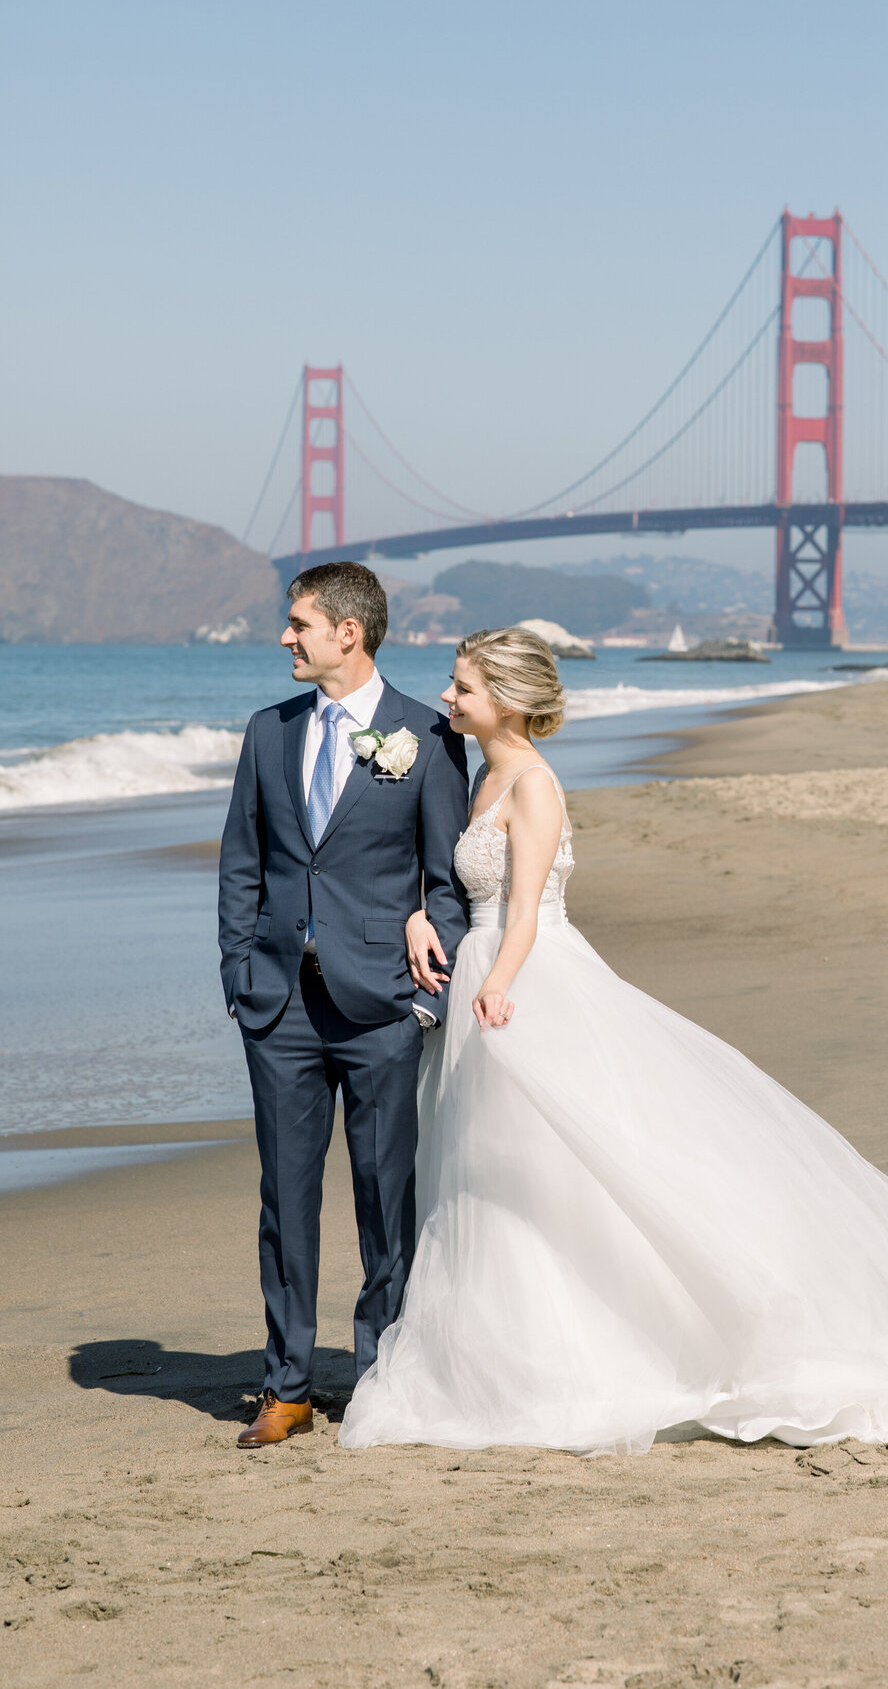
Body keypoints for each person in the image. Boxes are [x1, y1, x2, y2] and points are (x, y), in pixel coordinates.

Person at [340, 625, 888, 1458]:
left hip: (527, 980)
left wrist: (498, 982)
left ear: (509, 700)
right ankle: (506, 1351)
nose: (449, 697)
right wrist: (420, 913)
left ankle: (603, 1349)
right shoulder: (483, 772)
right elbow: (460, 882)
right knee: (493, 1175)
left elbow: (525, 910)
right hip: (492, 972)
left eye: (464, 687)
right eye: (452, 684)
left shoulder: (536, 785)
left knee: (567, 1166)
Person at [218, 562, 469, 1448]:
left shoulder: (428, 738)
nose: (285, 637)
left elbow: (448, 883)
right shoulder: (267, 732)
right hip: (278, 1006)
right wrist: (240, 976)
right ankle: (285, 1384)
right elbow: (242, 869)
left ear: (348, 633)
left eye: (299, 624)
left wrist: (426, 988)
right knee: (284, 1200)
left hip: (382, 1009)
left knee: (382, 1195)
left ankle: (380, 1374)